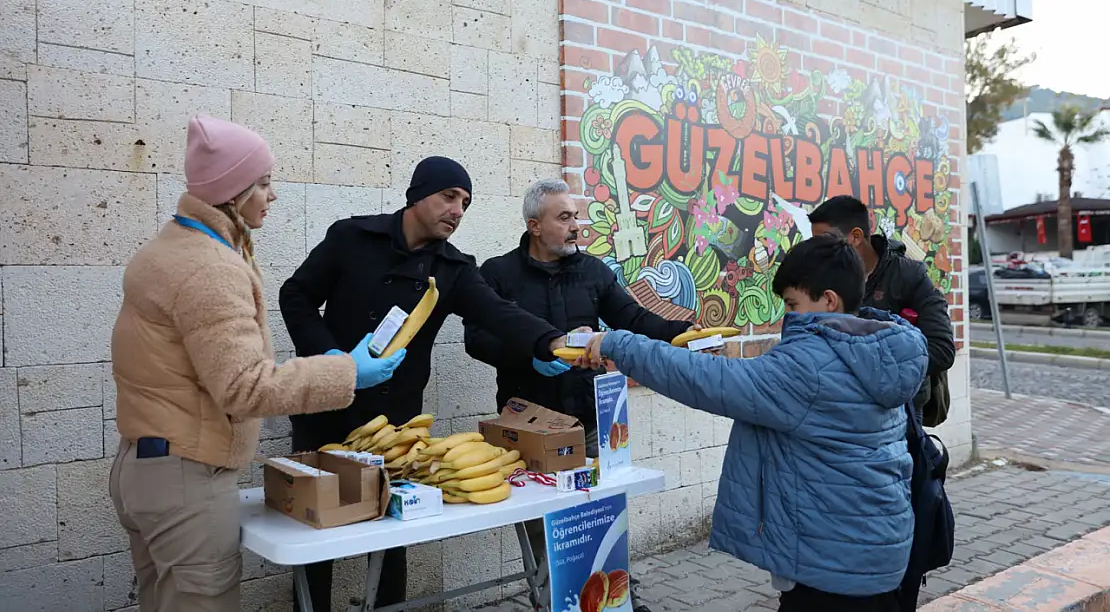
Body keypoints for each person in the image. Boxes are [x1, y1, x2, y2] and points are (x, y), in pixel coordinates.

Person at [108, 115, 405, 612]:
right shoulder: (208, 267)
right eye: (263, 182)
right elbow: (244, 387)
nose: (273, 195)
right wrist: (348, 371)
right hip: (187, 477)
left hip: (147, 467)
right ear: (232, 190)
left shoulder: (171, 246)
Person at [576, 234, 928, 612]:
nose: (786, 316)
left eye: (793, 304)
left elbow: (708, 381)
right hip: (880, 549)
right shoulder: (878, 350)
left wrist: (617, 343)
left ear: (829, 300)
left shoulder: (809, 368)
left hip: (833, 570)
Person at [278, 156, 568, 612]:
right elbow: (294, 295)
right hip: (327, 414)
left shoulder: (452, 268)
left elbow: (497, 312)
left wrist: (548, 341)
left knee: (395, 537)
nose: (457, 210)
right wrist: (332, 358)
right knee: (319, 539)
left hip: (395, 427)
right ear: (417, 195)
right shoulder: (352, 237)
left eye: (466, 203)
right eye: (449, 196)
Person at [463, 178, 698, 612]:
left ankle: (616, 601)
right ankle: (557, 604)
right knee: (548, 531)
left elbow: (633, 317)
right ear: (535, 225)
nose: (576, 226)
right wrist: (527, 357)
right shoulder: (498, 274)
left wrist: (681, 332)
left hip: (588, 423)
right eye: (565, 217)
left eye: (577, 216)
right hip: (528, 428)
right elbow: (476, 340)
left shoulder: (592, 271)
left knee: (601, 518)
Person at [808, 195, 955, 425]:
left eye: (825, 241)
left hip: (901, 413)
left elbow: (941, 349)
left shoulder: (908, 276)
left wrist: (873, 371)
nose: (819, 251)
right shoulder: (826, 279)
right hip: (841, 411)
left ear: (855, 237)